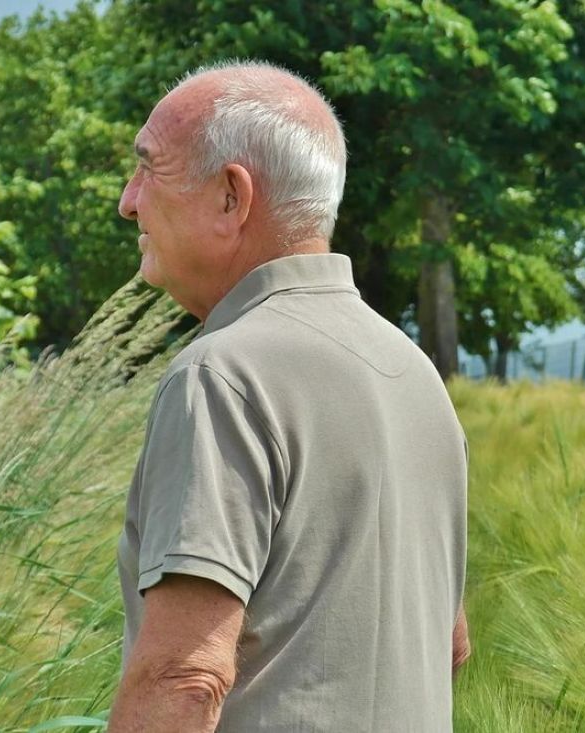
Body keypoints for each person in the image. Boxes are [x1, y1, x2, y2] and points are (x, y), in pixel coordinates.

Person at [109, 61, 470, 732]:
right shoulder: (414, 372)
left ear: (231, 197)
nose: (129, 201)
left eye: (148, 168)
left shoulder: (221, 375)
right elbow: (447, 646)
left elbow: (186, 679)